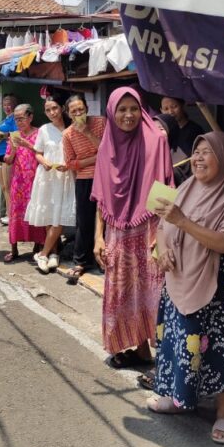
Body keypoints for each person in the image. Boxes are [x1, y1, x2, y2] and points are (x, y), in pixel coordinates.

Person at [147, 131, 224, 447]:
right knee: (181, 341)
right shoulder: (185, 187)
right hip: (182, 277)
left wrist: (182, 223)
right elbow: (163, 226)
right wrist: (164, 249)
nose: (197, 158)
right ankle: (177, 396)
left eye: (206, 152)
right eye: (196, 151)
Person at [91, 87, 174, 370]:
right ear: (111, 112)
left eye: (134, 109)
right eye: (121, 110)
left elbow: (165, 189)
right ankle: (140, 351)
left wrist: (162, 236)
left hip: (149, 228)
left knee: (155, 292)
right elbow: (101, 197)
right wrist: (98, 237)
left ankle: (164, 360)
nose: (128, 115)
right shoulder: (106, 146)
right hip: (117, 230)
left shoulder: (157, 141)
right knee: (123, 291)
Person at [25, 95, 76, 273]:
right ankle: (54, 253)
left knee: (59, 215)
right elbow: (37, 152)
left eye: (54, 108)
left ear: (62, 108)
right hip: (47, 176)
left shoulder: (72, 128)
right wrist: (44, 161)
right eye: (47, 110)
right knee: (49, 214)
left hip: (66, 176)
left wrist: (69, 165)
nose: (52, 112)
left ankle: (43, 254)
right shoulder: (44, 130)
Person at [62, 93, 106, 284]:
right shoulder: (68, 134)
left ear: (87, 108)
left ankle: (104, 258)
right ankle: (81, 261)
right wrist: (94, 159)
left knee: (107, 218)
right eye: (74, 111)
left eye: (81, 109)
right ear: (68, 114)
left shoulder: (100, 123)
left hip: (106, 176)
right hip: (85, 179)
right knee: (84, 220)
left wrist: (87, 133)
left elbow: (108, 149)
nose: (78, 113)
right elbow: (70, 163)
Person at [3, 103, 46, 262]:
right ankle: (14, 249)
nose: (19, 122)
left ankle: (38, 246)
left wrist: (26, 144)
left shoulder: (39, 133)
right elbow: (7, 160)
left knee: (37, 212)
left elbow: (43, 153)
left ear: (30, 117)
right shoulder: (14, 135)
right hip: (18, 181)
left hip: (36, 181)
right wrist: (13, 148)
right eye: (16, 119)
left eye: (21, 118)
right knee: (15, 213)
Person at [0, 93, 18, 225]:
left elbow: (16, 135)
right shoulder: (5, 119)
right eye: (4, 104)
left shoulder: (15, 118)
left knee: (8, 187)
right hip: (0, 154)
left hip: (8, 154)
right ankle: (8, 214)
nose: (7, 107)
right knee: (3, 187)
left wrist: (0, 134)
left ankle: (11, 216)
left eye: (9, 104)